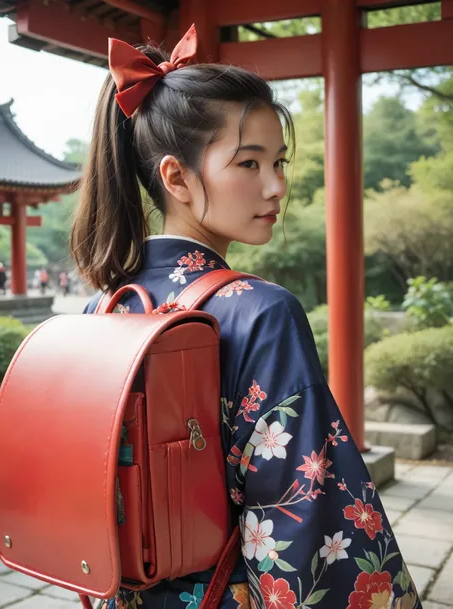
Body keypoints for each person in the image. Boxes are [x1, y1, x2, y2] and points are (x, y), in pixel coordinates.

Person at [71, 26, 421, 609]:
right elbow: (304, 507)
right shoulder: (263, 310)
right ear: (176, 178)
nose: (276, 186)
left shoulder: (104, 306)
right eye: (249, 163)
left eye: (278, 162)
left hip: (120, 590)